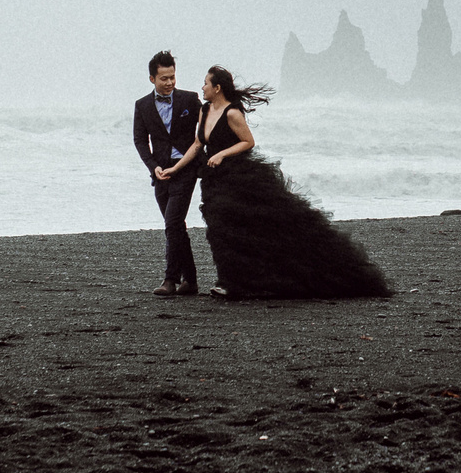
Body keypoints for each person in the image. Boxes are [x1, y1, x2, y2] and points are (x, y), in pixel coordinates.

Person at [161, 65, 390, 300]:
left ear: (217, 88)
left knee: (237, 230)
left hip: (237, 178)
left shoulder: (232, 113)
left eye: (206, 83)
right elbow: (197, 145)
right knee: (218, 230)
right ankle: (229, 280)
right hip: (212, 180)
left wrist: (222, 154)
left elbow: (248, 142)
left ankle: (229, 283)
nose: (202, 87)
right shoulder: (205, 110)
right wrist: (175, 168)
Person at [132, 50, 203, 296]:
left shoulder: (189, 99)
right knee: (176, 226)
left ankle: (170, 280)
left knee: (172, 223)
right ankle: (190, 281)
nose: (170, 82)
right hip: (161, 172)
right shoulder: (142, 105)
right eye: (164, 78)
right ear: (152, 79)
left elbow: (209, 124)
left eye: (172, 77)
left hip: (185, 169)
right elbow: (140, 141)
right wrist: (153, 166)